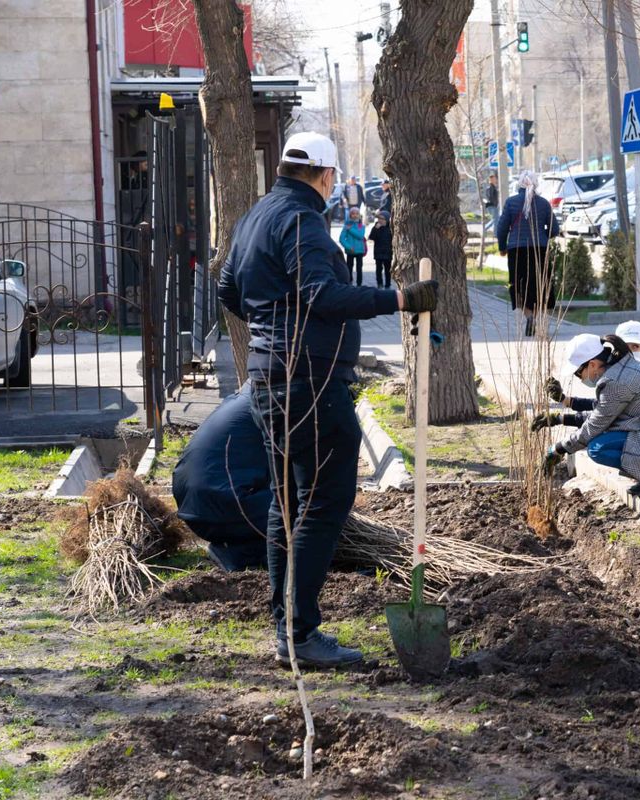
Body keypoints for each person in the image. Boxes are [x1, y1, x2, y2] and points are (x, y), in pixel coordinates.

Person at [218, 131, 439, 669]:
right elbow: (324, 294)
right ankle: (299, 634)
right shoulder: (302, 220)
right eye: (333, 177)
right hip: (309, 384)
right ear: (325, 175)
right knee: (322, 503)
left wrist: (271, 330)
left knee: (288, 504)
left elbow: (227, 288)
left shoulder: (255, 216)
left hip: (271, 379)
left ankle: (287, 629)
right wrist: (400, 298)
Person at [535, 333, 640, 497]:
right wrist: (560, 418)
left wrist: (558, 449)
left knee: (598, 448)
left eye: (578, 373)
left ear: (592, 364)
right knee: (606, 436)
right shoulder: (623, 366)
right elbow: (604, 411)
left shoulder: (615, 381)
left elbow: (596, 424)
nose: (580, 378)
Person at [172, 384, 272, 572]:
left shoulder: (242, 399)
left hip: (191, 501)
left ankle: (234, 547)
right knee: (307, 501)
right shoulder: (274, 407)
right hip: (220, 504)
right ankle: (242, 554)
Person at [496, 170, 560, 337]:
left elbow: (501, 229)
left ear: (519, 184)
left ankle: (529, 316)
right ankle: (536, 317)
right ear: (536, 184)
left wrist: (502, 247)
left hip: (516, 250)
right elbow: (554, 229)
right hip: (540, 250)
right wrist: (542, 236)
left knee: (519, 284)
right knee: (539, 285)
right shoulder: (544, 204)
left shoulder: (511, 203)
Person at [340, 208, 368, 286]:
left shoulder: (361, 226)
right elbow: (341, 239)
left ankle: (359, 284)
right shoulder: (346, 226)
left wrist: (350, 229)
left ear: (359, 215)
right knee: (349, 268)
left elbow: (360, 236)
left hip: (359, 250)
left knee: (359, 268)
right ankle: (349, 282)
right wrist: (348, 247)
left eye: (357, 213)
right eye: (353, 213)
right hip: (350, 251)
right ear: (350, 215)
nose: (355, 215)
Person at [368, 209, 393, 288]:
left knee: (388, 270)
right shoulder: (376, 227)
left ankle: (388, 284)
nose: (380, 220)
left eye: (382, 219)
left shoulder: (390, 228)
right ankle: (379, 283)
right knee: (378, 269)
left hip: (388, 252)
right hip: (378, 252)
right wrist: (375, 229)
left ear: (386, 219)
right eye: (379, 218)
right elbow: (371, 237)